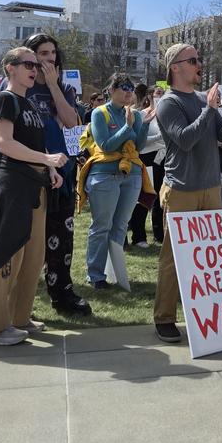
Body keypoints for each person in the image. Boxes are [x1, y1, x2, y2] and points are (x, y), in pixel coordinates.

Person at [152, 43, 222, 343]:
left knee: (215, 260)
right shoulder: (168, 103)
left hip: (211, 188)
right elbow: (185, 140)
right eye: (194, 60)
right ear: (176, 68)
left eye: (199, 59)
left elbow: (218, 136)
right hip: (181, 189)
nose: (200, 64)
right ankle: (165, 317)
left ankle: (215, 316)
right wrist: (209, 109)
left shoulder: (199, 98)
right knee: (173, 258)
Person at [0, 47, 67, 345]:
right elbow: (5, 144)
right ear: (9, 68)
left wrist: (48, 168)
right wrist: (48, 159)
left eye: (37, 64)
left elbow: (32, 147)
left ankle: (18, 317)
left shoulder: (29, 105)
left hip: (35, 184)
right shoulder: (5, 100)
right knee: (7, 254)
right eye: (28, 63)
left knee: (32, 257)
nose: (35, 68)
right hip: (13, 186)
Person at [17, 32, 89, 316]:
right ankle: (22, 299)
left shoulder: (64, 89)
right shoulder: (21, 88)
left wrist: (54, 86)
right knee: (28, 238)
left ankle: (62, 292)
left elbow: (71, 122)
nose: (48, 59)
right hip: (29, 172)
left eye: (52, 54)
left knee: (61, 236)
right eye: (42, 54)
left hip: (62, 173)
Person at [83, 74, 149, 290]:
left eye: (131, 87)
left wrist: (144, 125)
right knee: (102, 226)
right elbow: (106, 145)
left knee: (120, 226)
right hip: (104, 175)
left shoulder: (136, 115)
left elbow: (137, 146)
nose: (129, 91)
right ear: (111, 90)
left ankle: (114, 273)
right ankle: (95, 275)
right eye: (123, 87)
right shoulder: (99, 113)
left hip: (131, 175)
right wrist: (127, 127)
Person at [130, 85, 165, 248]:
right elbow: (140, 141)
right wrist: (160, 136)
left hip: (163, 159)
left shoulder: (165, 115)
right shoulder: (142, 115)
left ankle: (159, 234)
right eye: (158, 93)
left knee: (159, 198)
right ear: (149, 97)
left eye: (162, 93)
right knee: (145, 198)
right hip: (147, 159)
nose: (161, 96)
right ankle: (139, 236)